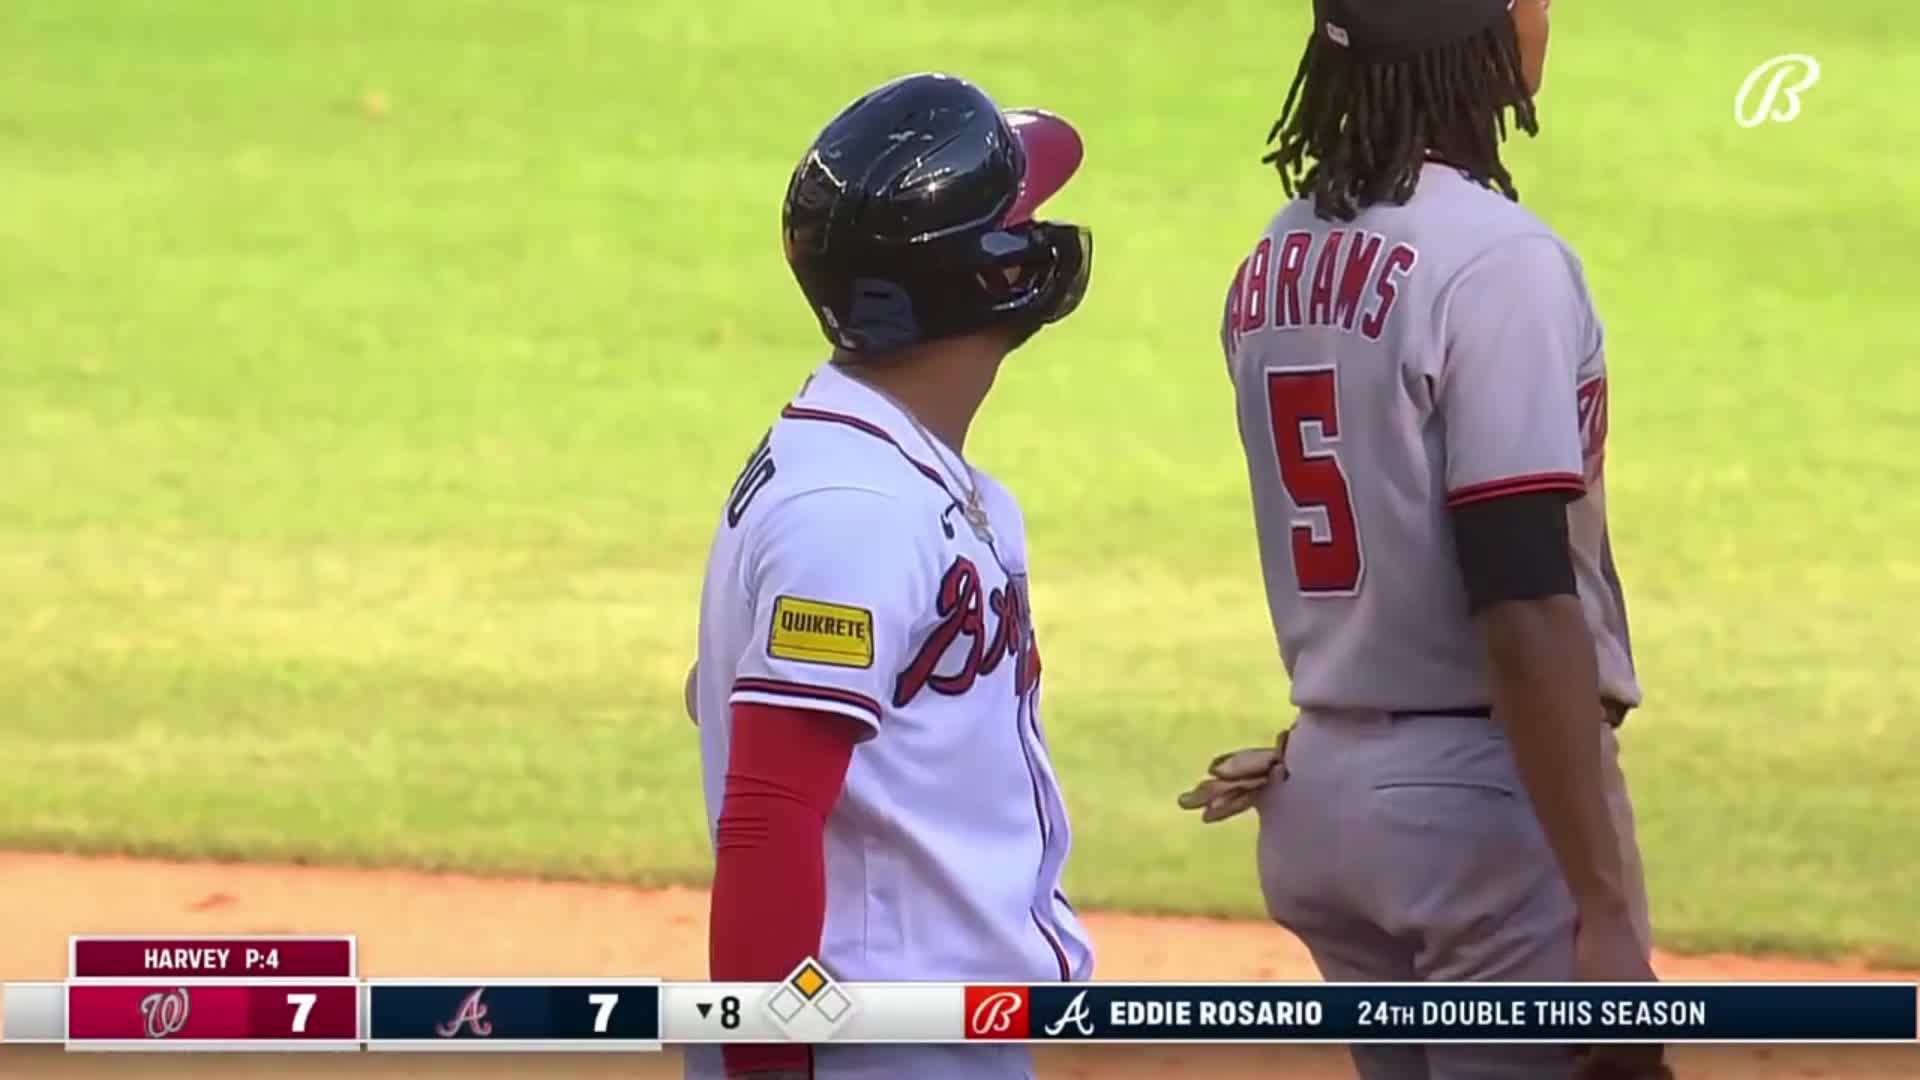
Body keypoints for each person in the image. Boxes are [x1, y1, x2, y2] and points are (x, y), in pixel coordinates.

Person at [1178, 1, 1668, 1077]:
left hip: (1327, 788)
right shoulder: (1501, 261)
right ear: (1479, 42)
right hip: (1483, 805)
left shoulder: (1278, 253)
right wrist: (1603, 909)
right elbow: (1520, 591)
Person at [686, 72, 1096, 1080]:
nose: (1046, 225)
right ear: (984, 272)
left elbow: (720, 694)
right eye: (1025, 210)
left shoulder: (893, 468)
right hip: (870, 1042)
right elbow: (769, 816)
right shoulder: (856, 510)